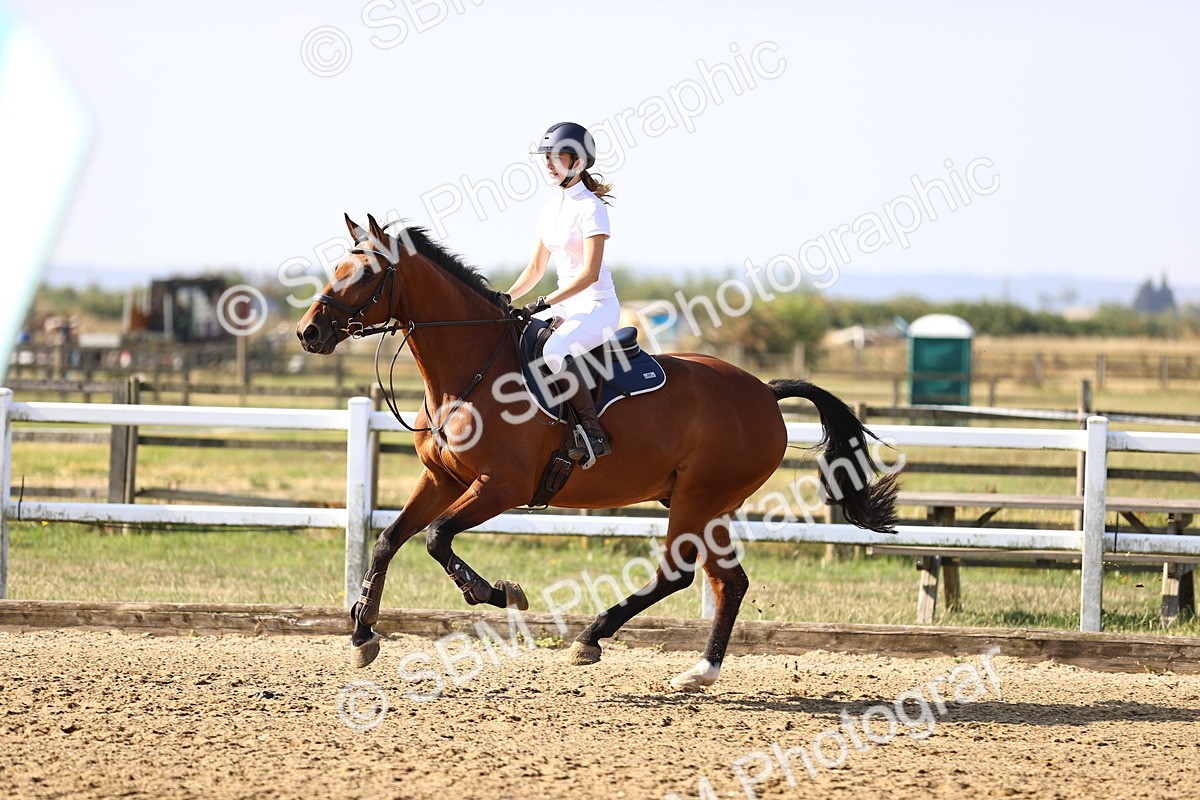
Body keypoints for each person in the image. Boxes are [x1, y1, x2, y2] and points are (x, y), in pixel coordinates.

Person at [506, 121, 618, 467]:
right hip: (565, 304)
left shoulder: (591, 209)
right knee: (514, 335)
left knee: (555, 349)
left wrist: (545, 302)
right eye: (547, 157)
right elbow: (535, 270)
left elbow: (589, 274)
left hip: (597, 306)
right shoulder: (549, 209)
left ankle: (594, 434)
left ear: (579, 161)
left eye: (557, 156)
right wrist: (505, 299)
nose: (549, 163)